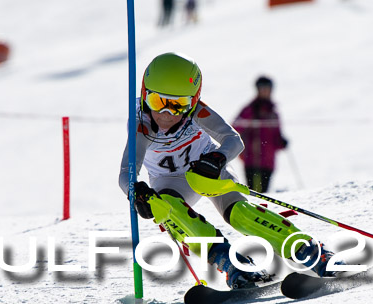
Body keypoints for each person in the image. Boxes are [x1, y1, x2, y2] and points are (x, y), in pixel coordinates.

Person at [118, 53, 336, 289]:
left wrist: (217, 158)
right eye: (159, 102)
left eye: (178, 104)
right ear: (145, 93)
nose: (167, 114)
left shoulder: (197, 112)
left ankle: (310, 251)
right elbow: (126, 173)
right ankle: (235, 265)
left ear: (193, 101)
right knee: (167, 207)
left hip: (206, 173)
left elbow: (234, 140)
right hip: (169, 182)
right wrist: (137, 192)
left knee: (240, 214)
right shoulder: (142, 123)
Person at [233, 76, 288, 192]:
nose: (264, 90)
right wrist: (250, 118)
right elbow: (235, 127)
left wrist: (282, 142)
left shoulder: (273, 112)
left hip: (268, 161)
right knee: (252, 192)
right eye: (261, 87)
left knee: (264, 193)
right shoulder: (249, 109)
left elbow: (277, 137)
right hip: (250, 159)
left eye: (267, 87)